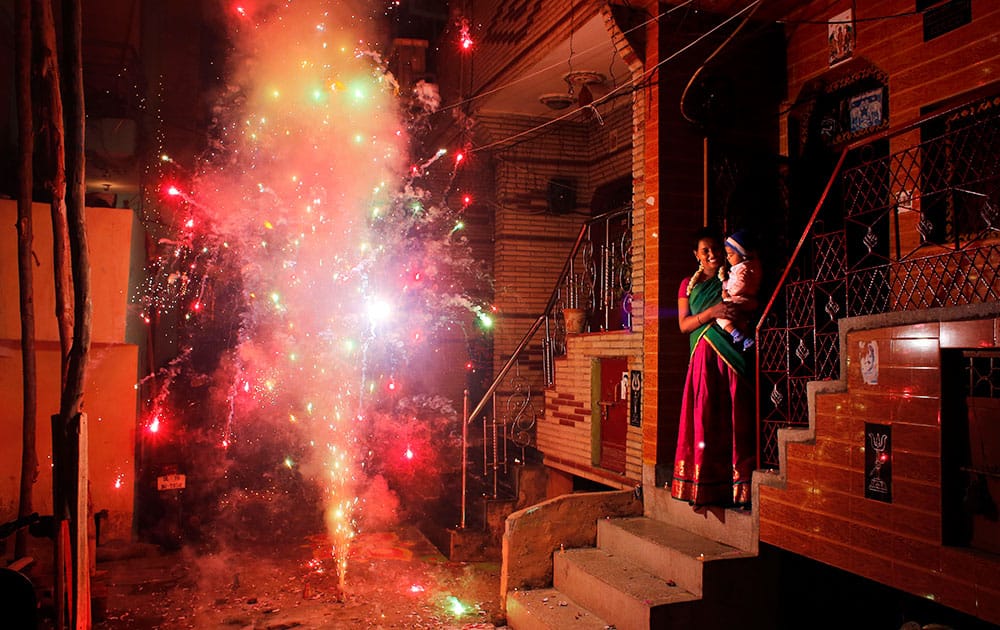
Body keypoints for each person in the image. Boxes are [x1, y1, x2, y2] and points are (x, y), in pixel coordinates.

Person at [671, 227, 756, 509]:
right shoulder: (687, 285)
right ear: (696, 254)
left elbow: (748, 301)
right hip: (702, 359)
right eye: (705, 250)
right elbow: (684, 325)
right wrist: (712, 313)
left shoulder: (734, 276)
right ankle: (704, 486)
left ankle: (738, 488)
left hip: (730, 355)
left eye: (716, 249)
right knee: (704, 417)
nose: (711, 254)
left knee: (734, 416)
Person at [716, 230, 761, 351]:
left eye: (731, 255)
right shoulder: (745, 267)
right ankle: (746, 339)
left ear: (742, 254)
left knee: (720, 316)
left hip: (741, 299)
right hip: (745, 300)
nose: (728, 258)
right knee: (739, 320)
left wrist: (728, 294)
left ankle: (737, 335)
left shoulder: (744, 268)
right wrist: (725, 284)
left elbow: (741, 284)